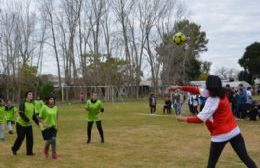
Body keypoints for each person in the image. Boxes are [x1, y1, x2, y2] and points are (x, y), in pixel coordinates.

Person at [167, 75, 257, 168]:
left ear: (209, 86)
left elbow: (200, 119)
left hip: (220, 135)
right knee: (246, 159)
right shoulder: (220, 92)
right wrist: (178, 87)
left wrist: (183, 118)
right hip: (235, 132)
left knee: (211, 164)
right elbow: (196, 90)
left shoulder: (212, 100)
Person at [12, 91, 38, 156]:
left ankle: (29, 152)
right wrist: (27, 120)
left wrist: (38, 123)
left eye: (32, 94)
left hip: (28, 125)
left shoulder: (32, 105)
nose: (31, 95)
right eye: (29, 94)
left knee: (30, 139)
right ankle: (14, 149)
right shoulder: (22, 103)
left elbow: (34, 116)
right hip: (20, 124)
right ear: (26, 96)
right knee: (20, 138)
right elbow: (21, 113)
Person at [38, 94, 59, 160]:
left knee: (53, 139)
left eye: (53, 99)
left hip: (53, 127)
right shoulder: (44, 107)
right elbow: (39, 117)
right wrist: (44, 124)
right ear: (48, 100)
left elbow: (56, 118)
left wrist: (56, 125)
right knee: (49, 140)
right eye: (50, 99)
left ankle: (54, 155)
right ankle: (46, 150)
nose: (52, 100)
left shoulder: (56, 108)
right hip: (45, 128)